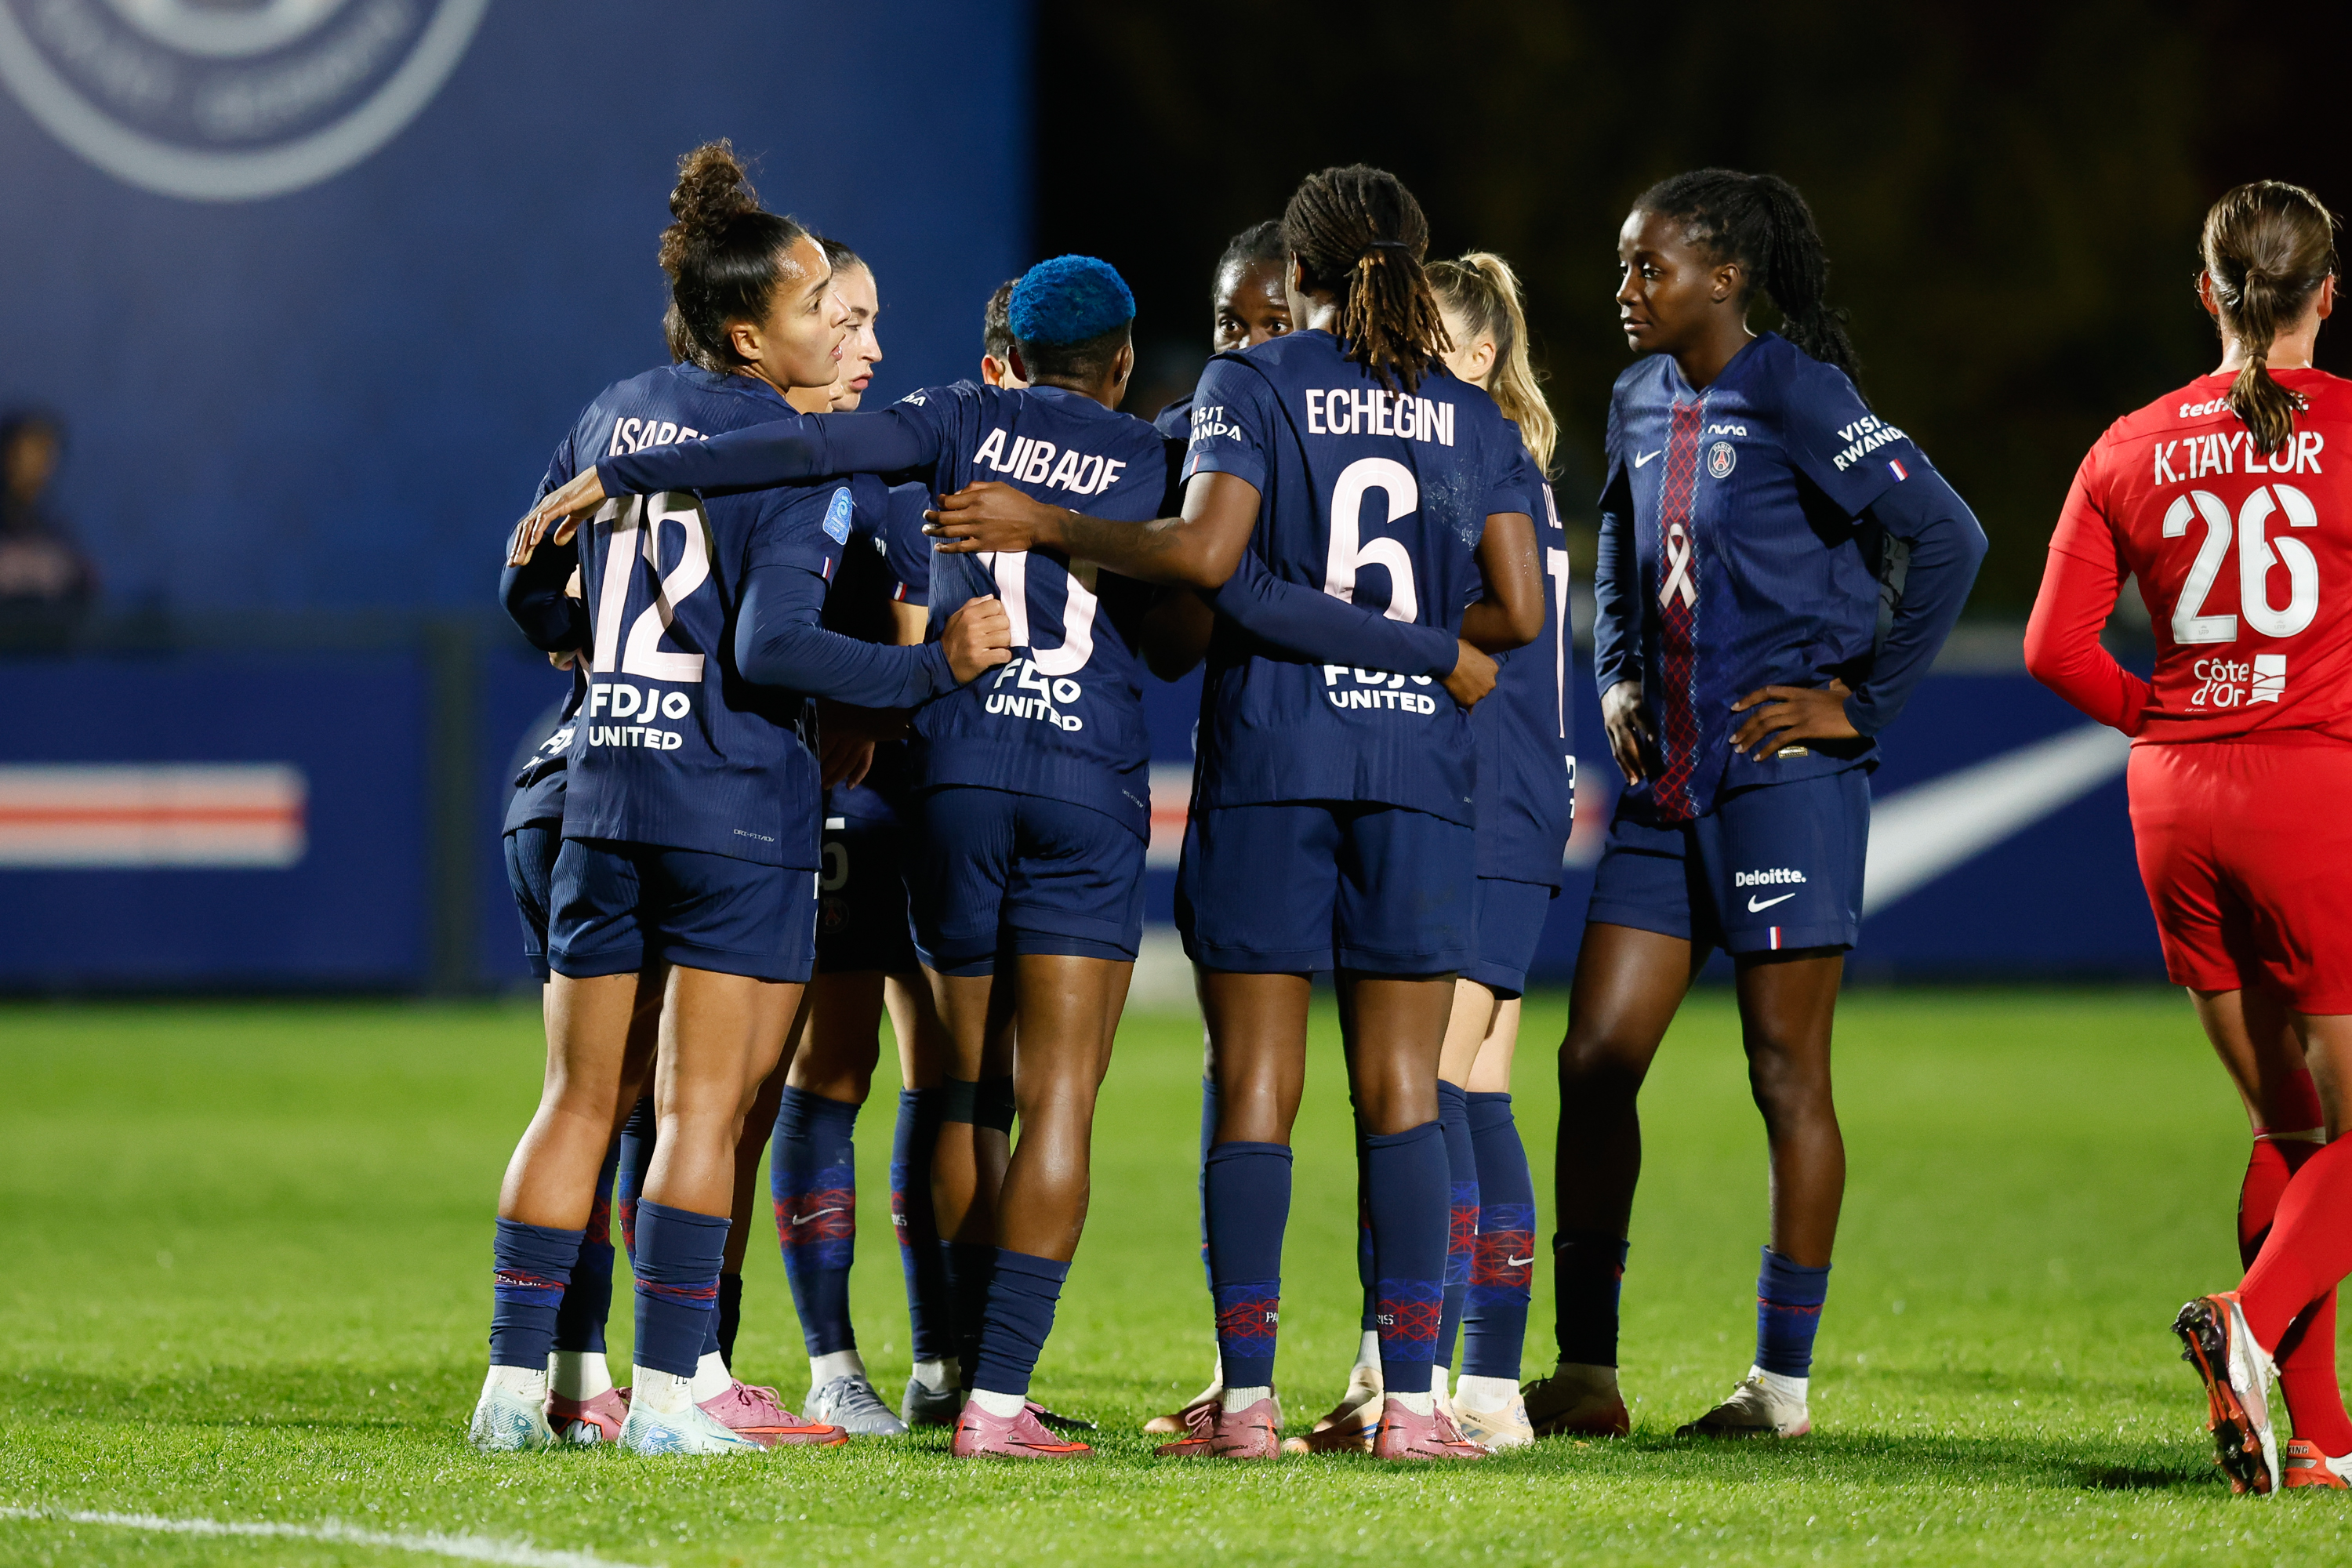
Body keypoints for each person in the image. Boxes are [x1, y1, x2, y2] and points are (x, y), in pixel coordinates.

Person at [924, 163, 1544, 1462]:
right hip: (1419, 770)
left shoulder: (1250, 384)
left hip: (1275, 751)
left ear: (1299, 276)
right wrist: (1422, 646)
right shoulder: (1466, 413)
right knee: (1405, 1092)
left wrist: (1054, 525)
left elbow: (1208, 566)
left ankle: (1248, 1399)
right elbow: (1523, 616)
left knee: (1254, 1082)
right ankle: (1415, 1406)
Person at [475, 141, 1009, 1457]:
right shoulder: (792, 450)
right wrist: (930, 665)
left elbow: (524, 573)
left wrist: (581, 636)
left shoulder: (612, 415)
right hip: (725, 809)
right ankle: (667, 1396)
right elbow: (775, 648)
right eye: (816, 297)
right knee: (703, 1114)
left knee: (578, 1105)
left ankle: (508, 1392)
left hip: (600, 787)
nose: (835, 316)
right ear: (745, 327)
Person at [1522, 169, 1985, 1443]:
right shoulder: (1633, 397)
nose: (1626, 291)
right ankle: (1588, 1374)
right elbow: (1617, 540)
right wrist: (1613, 666)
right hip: (1664, 791)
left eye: (1647, 267)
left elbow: (1947, 537)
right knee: (1594, 1057)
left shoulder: (1794, 390)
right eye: (1624, 266)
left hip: (1786, 784)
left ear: (1724, 275)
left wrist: (1862, 701)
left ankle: (1777, 1390)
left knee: (1785, 1074)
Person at [2024, 180, 2352, 1497]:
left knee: (2293, 1131)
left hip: (2175, 800)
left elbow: (2054, 650)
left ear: (2209, 294)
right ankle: (2248, 1325)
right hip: (2313, 792)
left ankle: (2316, 1436)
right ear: (2328, 294)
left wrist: (2161, 714)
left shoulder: (2127, 446)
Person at [1280, 252, 1575, 1455]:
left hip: (1480, 801)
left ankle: (1402, 1380)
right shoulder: (1511, 471)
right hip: (1518, 801)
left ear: (1480, 355)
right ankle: (1488, 1388)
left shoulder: (1460, 471)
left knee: (1421, 1099)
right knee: (1476, 1092)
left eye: (1424, 343)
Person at [0, 412, 98, 641]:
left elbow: (85, 584)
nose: (40, 465)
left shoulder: (53, 531)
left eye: (47, 453)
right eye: (30, 452)